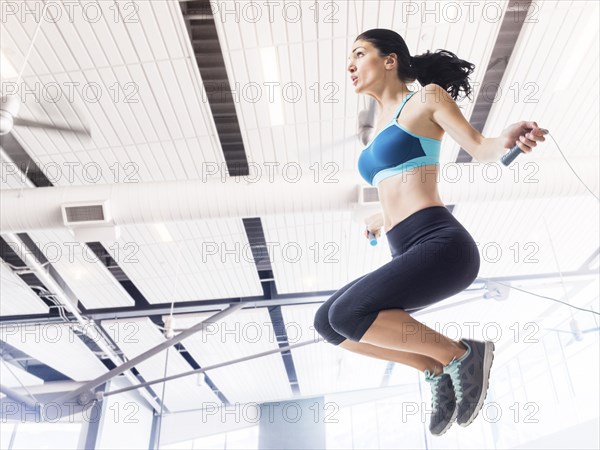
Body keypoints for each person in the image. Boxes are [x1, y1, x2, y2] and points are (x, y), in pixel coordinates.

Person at [313, 29, 546, 436]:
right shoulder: (377, 131)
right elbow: (400, 184)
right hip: (406, 248)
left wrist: (508, 139)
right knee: (327, 324)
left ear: (390, 60)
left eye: (359, 54)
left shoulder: (426, 99)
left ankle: (462, 355)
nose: (349, 65)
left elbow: (481, 147)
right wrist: (379, 219)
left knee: (347, 315)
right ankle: (434, 368)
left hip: (442, 246)